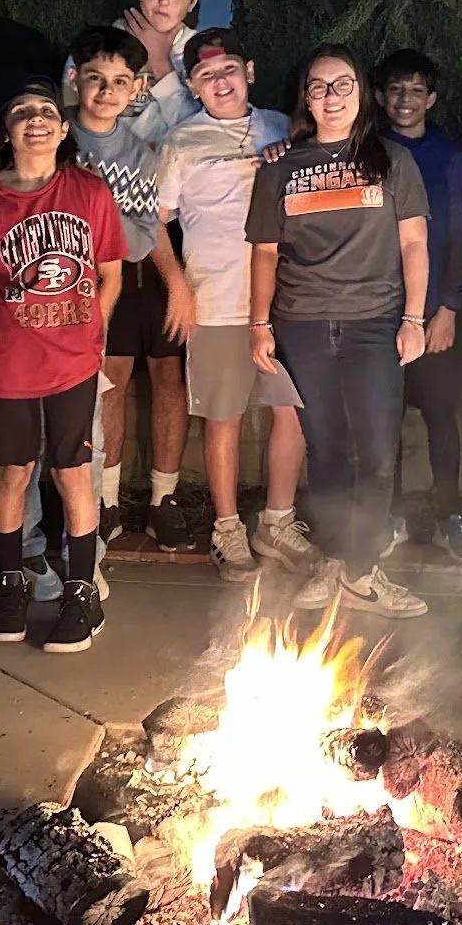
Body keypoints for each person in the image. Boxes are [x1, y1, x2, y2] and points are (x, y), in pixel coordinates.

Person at [248, 49, 431, 618]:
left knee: (376, 449)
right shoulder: (280, 166)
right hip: (301, 324)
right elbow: (265, 254)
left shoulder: (393, 161)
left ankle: (362, 570)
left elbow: (414, 244)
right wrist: (260, 325)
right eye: (318, 86)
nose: (331, 95)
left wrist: (415, 318)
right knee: (326, 448)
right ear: (305, 97)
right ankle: (332, 561)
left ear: (361, 93)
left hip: (375, 323)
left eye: (343, 84)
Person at [0, 80, 125, 653]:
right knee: (12, 470)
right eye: (22, 112)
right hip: (10, 363)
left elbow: (111, 273)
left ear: (64, 127)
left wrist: (88, 336)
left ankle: (82, 589)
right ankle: (10, 582)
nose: (36, 121)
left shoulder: (89, 190)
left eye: (48, 112)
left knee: (74, 471)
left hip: (73, 362)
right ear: (6, 131)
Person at [156, 30, 317, 582]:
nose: (220, 82)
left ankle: (277, 521)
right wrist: (177, 285)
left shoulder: (283, 126)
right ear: (191, 86)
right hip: (217, 300)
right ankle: (227, 527)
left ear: (248, 70)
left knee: (291, 412)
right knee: (222, 417)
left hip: (286, 299)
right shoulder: (180, 142)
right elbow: (153, 222)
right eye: (206, 75)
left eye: (228, 70)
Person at [69, 25, 189, 547]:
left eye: (120, 81)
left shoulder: (140, 152)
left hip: (137, 277)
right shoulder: (56, 140)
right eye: (95, 78)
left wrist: (97, 227)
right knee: (108, 385)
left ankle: (164, 498)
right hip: (73, 286)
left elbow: (144, 232)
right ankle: (106, 499)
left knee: (168, 379)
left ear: (136, 88)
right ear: (75, 79)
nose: (106, 91)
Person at [377, 48, 462, 560]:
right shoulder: (366, 150)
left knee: (440, 414)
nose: (405, 99)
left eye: (417, 90)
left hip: (433, 307)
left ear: (432, 98)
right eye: (396, 89)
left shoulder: (451, 158)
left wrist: (449, 308)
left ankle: (449, 513)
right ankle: (386, 516)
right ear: (380, 96)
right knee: (382, 420)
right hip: (377, 311)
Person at [64, 0, 205, 144]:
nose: (164, 0)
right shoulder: (103, 41)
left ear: (193, 2)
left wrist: (160, 63)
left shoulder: (202, 54)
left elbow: (203, 134)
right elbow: (69, 104)